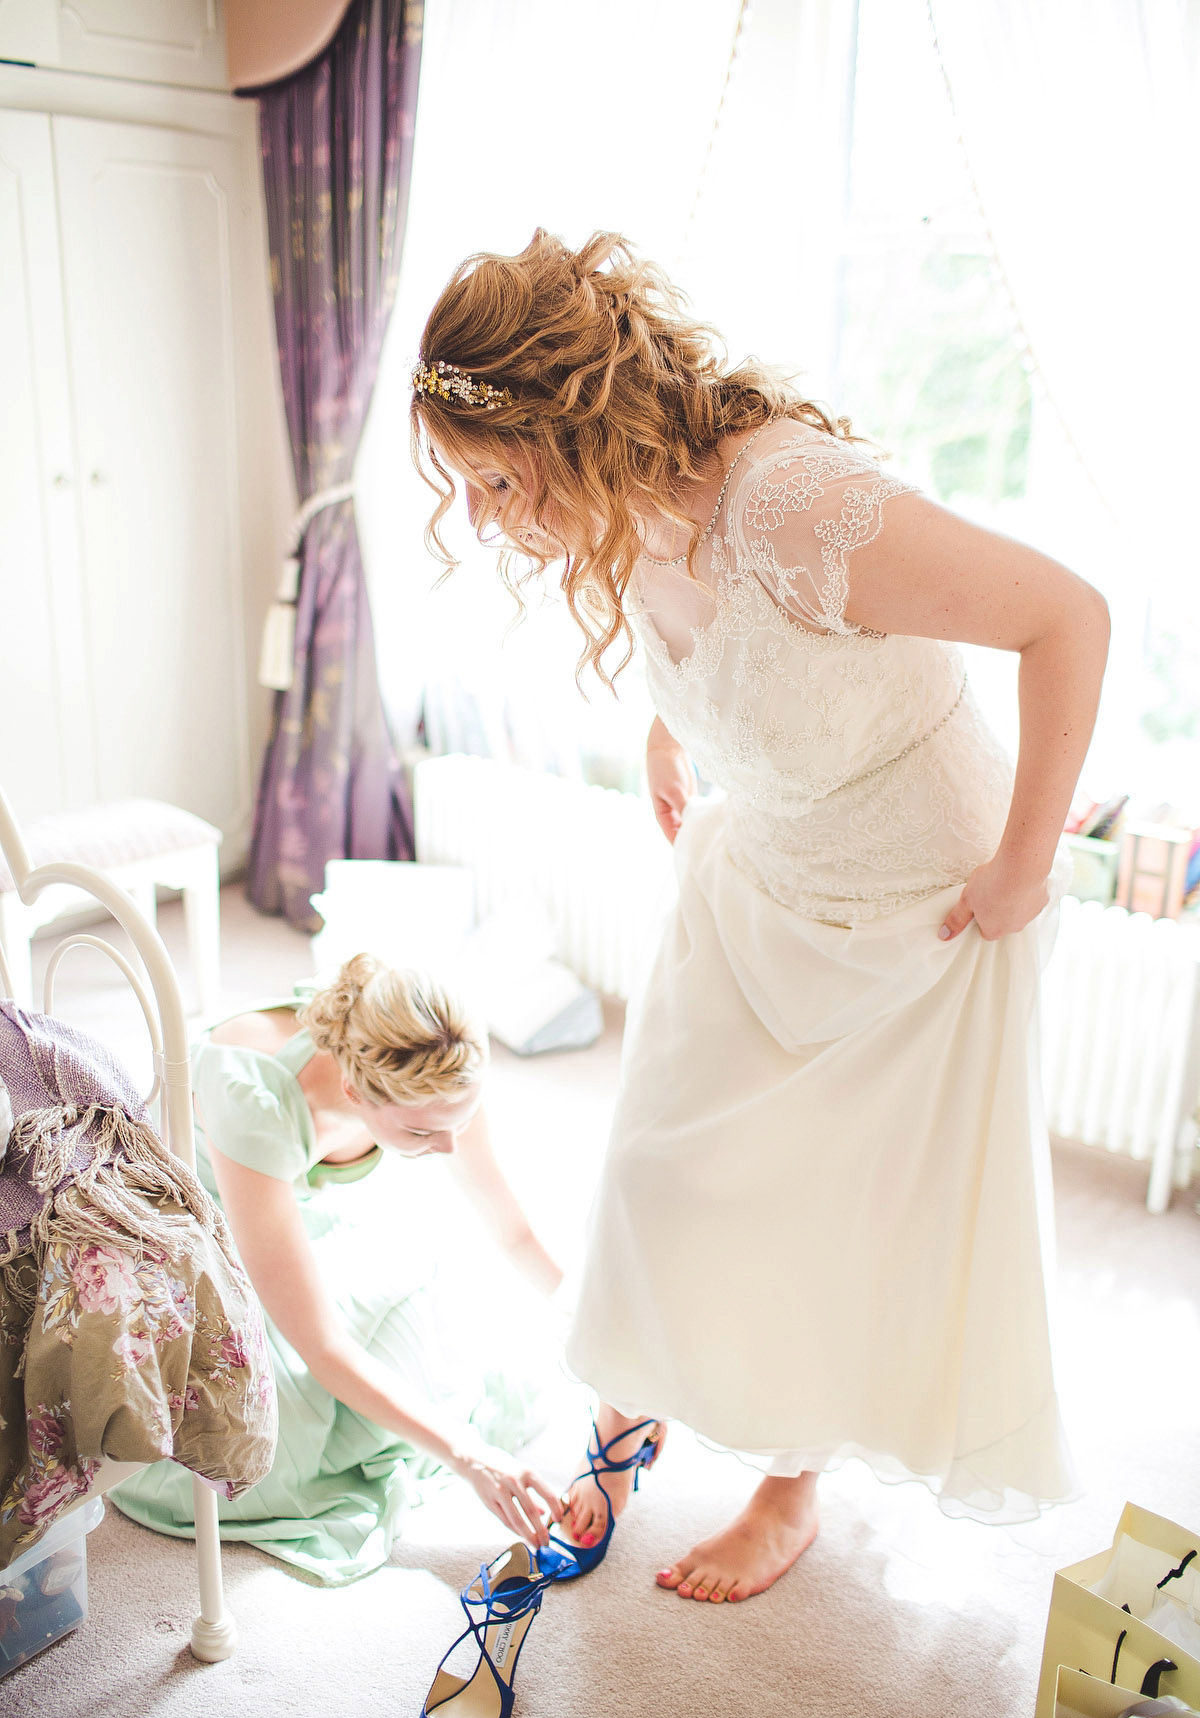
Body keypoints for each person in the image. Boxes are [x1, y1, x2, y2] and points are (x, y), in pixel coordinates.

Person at [409, 230, 1110, 1606]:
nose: (487, 516)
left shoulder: (796, 505)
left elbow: (1069, 618)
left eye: (498, 479)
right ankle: (628, 1413)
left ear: (578, 429)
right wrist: (674, 736)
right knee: (662, 1167)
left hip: (930, 915)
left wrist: (1025, 868)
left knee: (834, 1220)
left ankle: (791, 1486)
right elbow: (722, 647)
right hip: (767, 875)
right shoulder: (614, 513)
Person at [113, 953, 567, 1583]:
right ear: (355, 1094)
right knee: (284, 1441)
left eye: (460, 1120)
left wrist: (588, 1322)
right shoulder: (255, 1093)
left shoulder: (440, 1064)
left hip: (289, 1211)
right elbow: (321, 1346)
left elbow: (512, 1230)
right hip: (201, 1237)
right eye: (422, 1133)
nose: (451, 1147)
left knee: (426, 1339)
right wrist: (471, 1458)